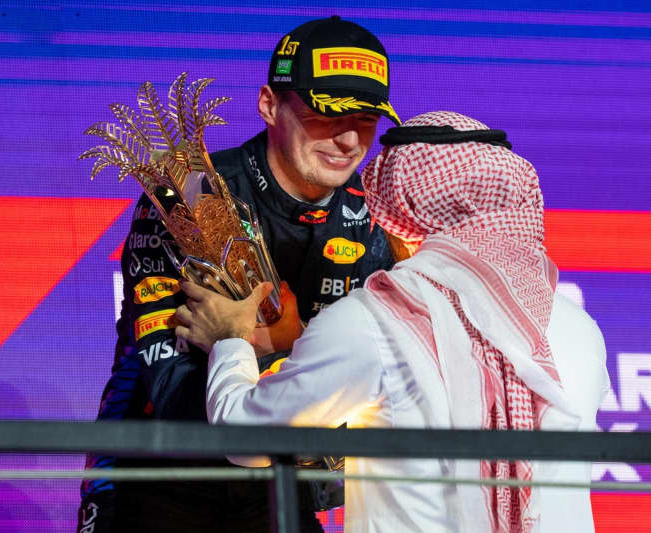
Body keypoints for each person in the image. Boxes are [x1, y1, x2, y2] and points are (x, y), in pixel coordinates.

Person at [176, 111, 611, 533]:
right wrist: (298, 345)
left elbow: (245, 439)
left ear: (399, 212)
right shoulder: (579, 329)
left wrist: (230, 339)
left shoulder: (374, 320)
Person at [77, 16, 400, 533]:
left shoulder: (375, 214)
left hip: (278, 479)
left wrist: (271, 344)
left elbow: (382, 387)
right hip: (157, 472)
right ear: (269, 105)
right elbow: (172, 386)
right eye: (325, 115)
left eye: (365, 119)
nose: (348, 140)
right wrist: (294, 352)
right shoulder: (189, 194)